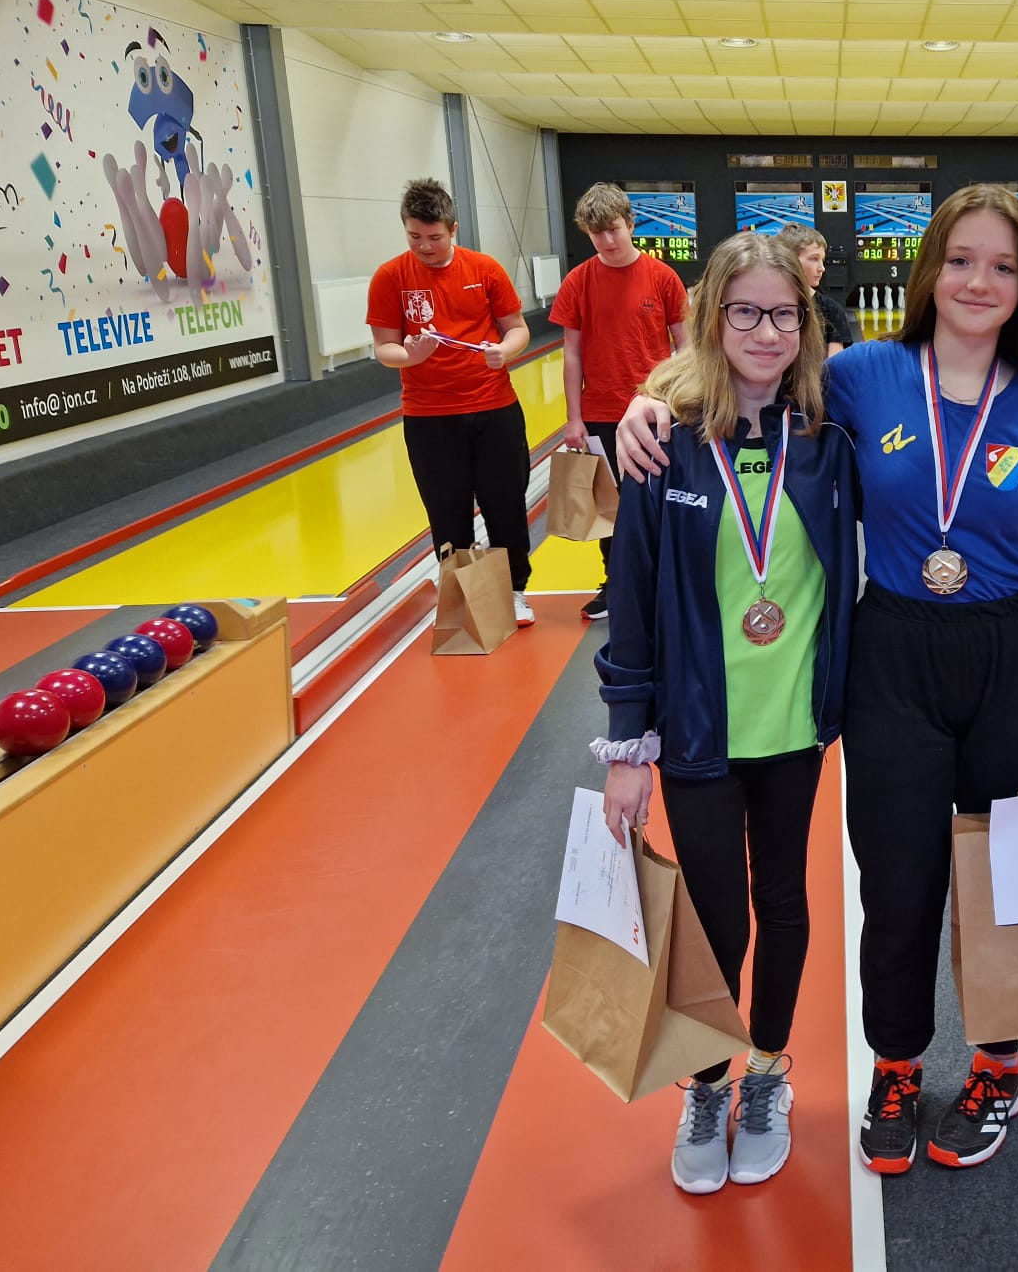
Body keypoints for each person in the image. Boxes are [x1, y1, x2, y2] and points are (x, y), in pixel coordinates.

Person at [616, 184, 1018, 1176]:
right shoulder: (863, 375)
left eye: (1003, 266)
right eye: (960, 259)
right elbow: (740, 367)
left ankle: (997, 1065)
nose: (978, 281)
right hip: (894, 657)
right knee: (899, 879)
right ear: (929, 270)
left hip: (1011, 659)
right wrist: (645, 399)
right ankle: (898, 1065)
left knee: (1006, 880)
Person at [593, 232, 857, 1196]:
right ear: (712, 318)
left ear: (806, 323)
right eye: (744, 311)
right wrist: (629, 744)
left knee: (782, 901)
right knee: (712, 919)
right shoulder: (662, 444)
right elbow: (632, 598)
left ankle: (769, 1071)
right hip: (698, 730)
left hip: (794, 730)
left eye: (784, 313)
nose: (765, 331)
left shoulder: (829, 438)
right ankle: (707, 1082)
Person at [366, 177, 535, 627]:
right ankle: (462, 597)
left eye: (434, 237)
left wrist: (505, 351)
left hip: (493, 409)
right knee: (447, 512)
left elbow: (517, 328)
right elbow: (384, 347)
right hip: (429, 418)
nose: (425, 246)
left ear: (453, 229)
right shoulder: (390, 277)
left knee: (505, 506)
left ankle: (514, 590)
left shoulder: (485, 269)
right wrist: (410, 356)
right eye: (414, 236)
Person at [552, 182, 689, 622]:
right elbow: (572, 354)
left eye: (613, 229)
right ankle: (616, 584)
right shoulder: (578, 282)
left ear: (631, 224)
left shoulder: (662, 277)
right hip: (600, 414)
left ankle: (664, 582)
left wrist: (677, 400)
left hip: (655, 412)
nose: (608, 240)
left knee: (658, 502)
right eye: (597, 233)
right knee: (610, 509)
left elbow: (685, 346)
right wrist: (574, 419)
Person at [777, 223, 857, 356]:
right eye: (814, 259)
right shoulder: (766, 305)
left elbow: (835, 364)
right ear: (789, 259)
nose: (822, 268)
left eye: (822, 260)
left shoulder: (831, 310)